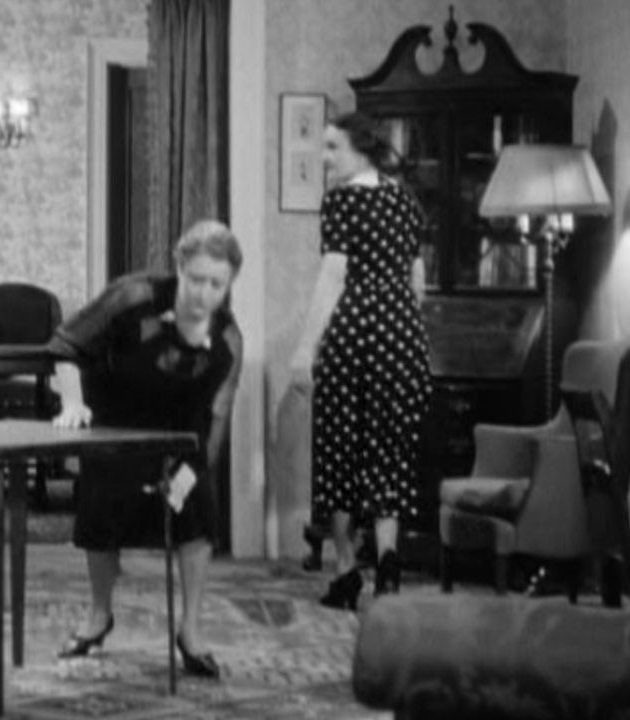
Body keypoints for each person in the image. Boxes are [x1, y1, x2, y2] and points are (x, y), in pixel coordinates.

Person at [48, 220, 244, 679]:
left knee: (199, 515)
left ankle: (191, 630)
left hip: (177, 435)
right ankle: (99, 615)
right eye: (196, 279)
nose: (204, 294)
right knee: (101, 518)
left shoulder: (228, 342)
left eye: (216, 285)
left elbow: (215, 416)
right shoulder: (133, 297)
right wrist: (73, 403)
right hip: (115, 424)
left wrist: (197, 469)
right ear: (179, 268)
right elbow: (66, 346)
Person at [290, 111, 431, 611]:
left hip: (353, 336)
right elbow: (418, 283)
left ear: (361, 149)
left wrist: (305, 348)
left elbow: (333, 276)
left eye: (333, 147)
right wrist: (398, 324)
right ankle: (389, 565)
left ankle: (347, 571)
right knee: (390, 452)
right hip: (402, 339)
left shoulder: (341, 200)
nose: (325, 157)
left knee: (339, 455)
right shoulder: (404, 200)